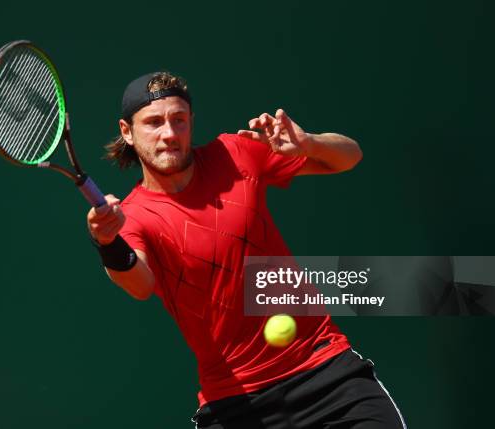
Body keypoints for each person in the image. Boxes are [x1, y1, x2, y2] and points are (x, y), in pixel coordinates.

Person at [87, 72, 406, 428]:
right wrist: (107, 241)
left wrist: (309, 142)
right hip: (237, 404)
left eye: (179, 120)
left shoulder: (235, 154)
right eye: (154, 123)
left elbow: (350, 156)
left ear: (191, 122)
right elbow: (139, 284)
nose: (169, 134)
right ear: (127, 131)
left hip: (326, 374)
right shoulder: (133, 218)